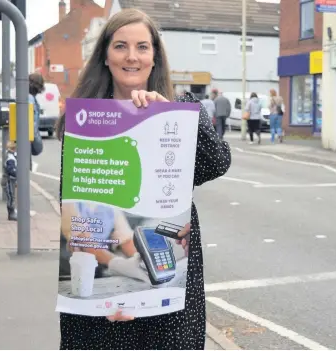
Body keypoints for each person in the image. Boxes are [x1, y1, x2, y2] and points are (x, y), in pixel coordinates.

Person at [54, 8, 231, 350]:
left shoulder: (180, 107)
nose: (132, 56)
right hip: (101, 302)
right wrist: (110, 296)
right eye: (120, 46)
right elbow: (73, 202)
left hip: (168, 292)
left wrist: (170, 118)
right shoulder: (88, 118)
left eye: (142, 47)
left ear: (155, 57)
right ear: (105, 56)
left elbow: (217, 162)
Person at [4, 141, 17, 221]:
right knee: (11, 197)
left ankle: (11, 213)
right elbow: (11, 170)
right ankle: (11, 214)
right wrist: (17, 173)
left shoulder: (11, 156)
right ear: (13, 149)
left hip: (10, 180)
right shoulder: (10, 158)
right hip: (9, 180)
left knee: (11, 197)